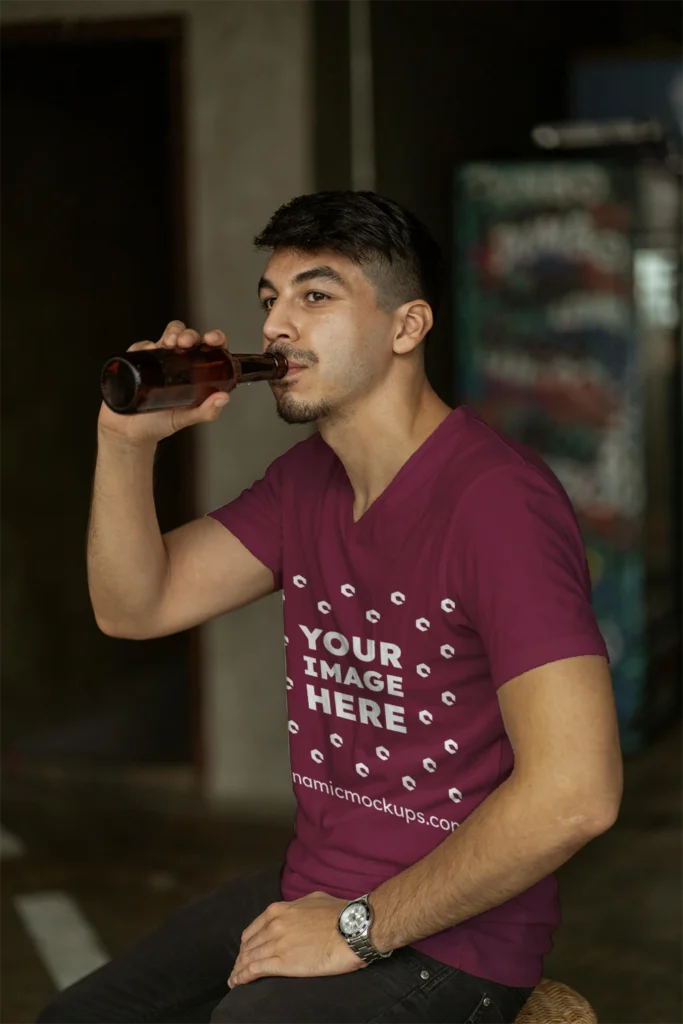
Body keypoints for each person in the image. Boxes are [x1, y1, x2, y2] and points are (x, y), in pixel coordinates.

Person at [41, 191, 623, 1024]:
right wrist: (125, 444)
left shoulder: (497, 504)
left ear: (406, 327)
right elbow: (137, 606)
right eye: (269, 300)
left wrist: (359, 929)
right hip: (312, 886)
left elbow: (576, 793)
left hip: (452, 940)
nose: (277, 325)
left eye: (315, 296)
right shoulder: (305, 483)